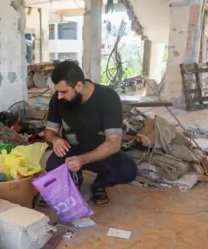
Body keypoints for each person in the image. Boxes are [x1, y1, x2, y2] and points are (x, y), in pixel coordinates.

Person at [44, 61, 138, 206]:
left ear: (79, 86)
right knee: (52, 167)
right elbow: (50, 132)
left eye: (63, 92)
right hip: (71, 149)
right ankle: (76, 177)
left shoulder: (108, 97)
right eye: (57, 91)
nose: (59, 97)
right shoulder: (58, 100)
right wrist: (55, 140)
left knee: (127, 171)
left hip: (99, 152)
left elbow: (114, 143)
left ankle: (100, 183)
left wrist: (82, 160)